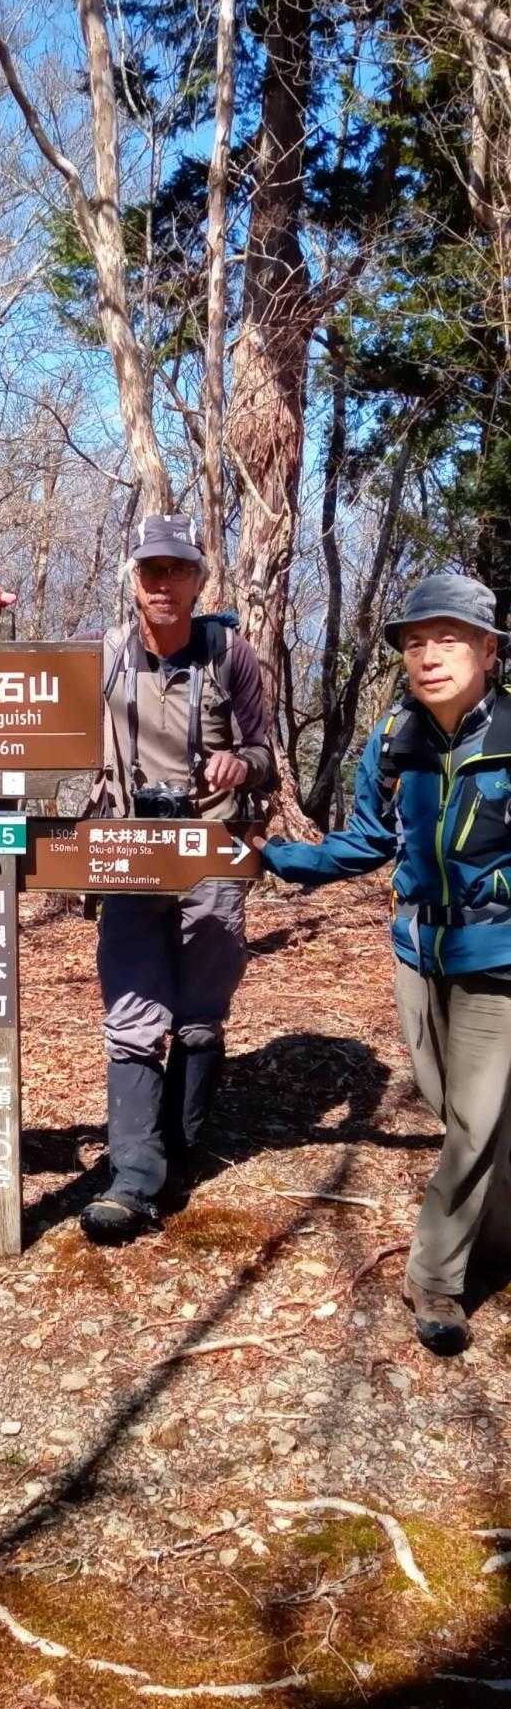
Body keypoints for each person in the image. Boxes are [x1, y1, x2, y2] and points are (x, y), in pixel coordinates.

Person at [0, 512, 275, 1242]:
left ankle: (181, 1154)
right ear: (133, 579)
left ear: (199, 579)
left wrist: (240, 764)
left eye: (177, 569)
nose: (163, 582)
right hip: (124, 851)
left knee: (199, 1012)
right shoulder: (103, 654)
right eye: (150, 569)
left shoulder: (230, 655)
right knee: (133, 1015)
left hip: (210, 852)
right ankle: (132, 1179)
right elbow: (18, 694)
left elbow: (268, 755)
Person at [257, 573, 511, 1356]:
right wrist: (273, 858)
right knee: (459, 1115)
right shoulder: (393, 738)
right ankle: (497, 1237)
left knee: (474, 1123)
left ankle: (433, 1279)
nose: (427, 656)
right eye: (414, 643)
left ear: (488, 652)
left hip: (497, 955)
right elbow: (368, 840)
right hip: (416, 952)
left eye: (447, 640)